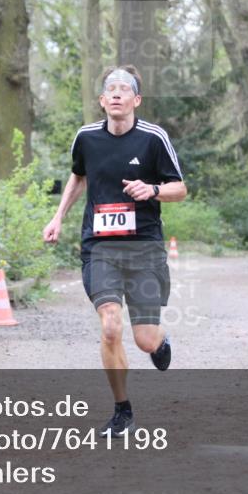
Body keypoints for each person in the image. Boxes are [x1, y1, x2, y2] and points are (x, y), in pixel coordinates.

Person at [42, 65, 187, 436]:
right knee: (109, 325)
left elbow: (180, 188)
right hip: (100, 247)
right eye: (111, 89)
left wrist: (153, 190)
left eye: (125, 89)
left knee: (144, 339)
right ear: (102, 100)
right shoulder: (86, 138)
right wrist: (58, 217)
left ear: (136, 100)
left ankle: (159, 342)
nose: (117, 94)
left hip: (144, 249)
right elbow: (78, 176)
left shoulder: (153, 138)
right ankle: (123, 411)